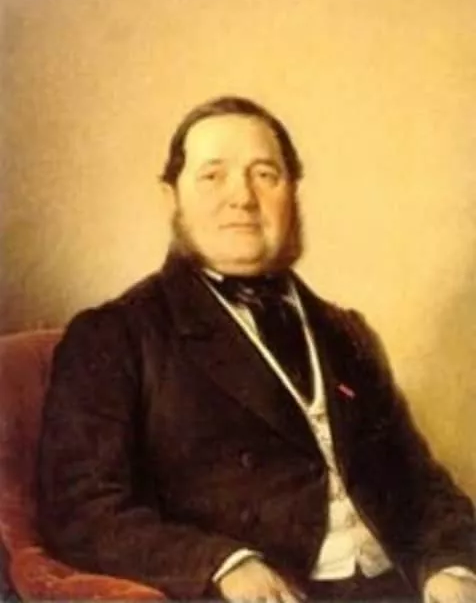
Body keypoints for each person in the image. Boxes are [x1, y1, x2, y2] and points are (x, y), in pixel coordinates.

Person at [38, 96, 476, 602]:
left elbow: (417, 480)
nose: (242, 197)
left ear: (293, 194)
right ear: (170, 197)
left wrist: (451, 564)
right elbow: (81, 510)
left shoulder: (346, 332)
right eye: (213, 176)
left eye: (265, 175)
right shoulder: (115, 336)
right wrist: (221, 565)